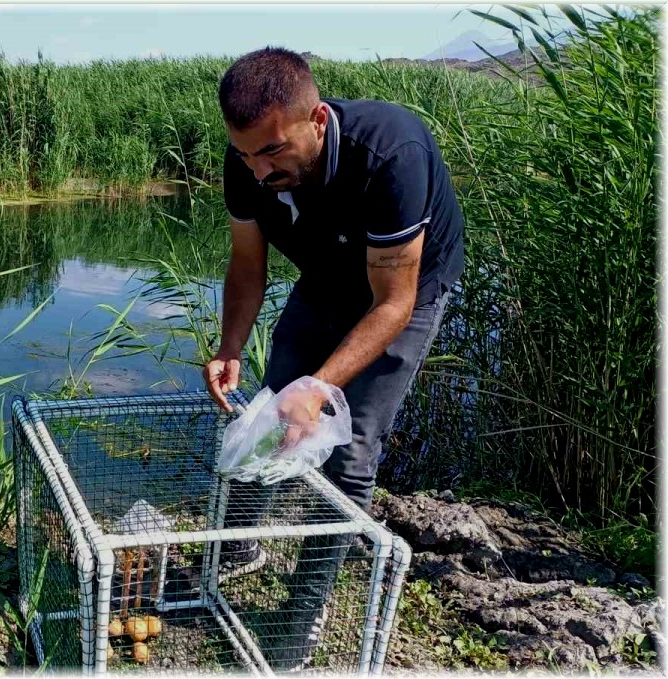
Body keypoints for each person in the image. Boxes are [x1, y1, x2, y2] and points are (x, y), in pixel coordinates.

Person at [203, 47, 465, 670]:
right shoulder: (247, 162)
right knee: (270, 409)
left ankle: (305, 612)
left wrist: (319, 387)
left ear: (317, 120)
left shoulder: (391, 155)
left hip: (404, 292)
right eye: (246, 153)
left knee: (351, 447)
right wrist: (230, 345)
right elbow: (247, 264)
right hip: (324, 275)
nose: (259, 170)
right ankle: (240, 549)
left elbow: (392, 304)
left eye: (273, 152)